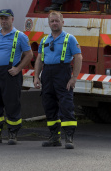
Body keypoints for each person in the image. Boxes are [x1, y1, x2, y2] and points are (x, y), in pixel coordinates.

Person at [33, 11, 82, 149]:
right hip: (47, 74)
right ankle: (54, 137)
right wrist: (36, 76)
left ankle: (69, 138)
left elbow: (78, 57)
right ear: (49, 23)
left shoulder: (70, 38)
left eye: (57, 21)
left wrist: (74, 78)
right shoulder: (44, 40)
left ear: (62, 22)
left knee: (66, 106)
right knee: (49, 106)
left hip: (63, 73)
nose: (54, 23)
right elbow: (39, 59)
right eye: (52, 21)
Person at [0, 9, 33, 145]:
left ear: (12, 19)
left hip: (10, 74)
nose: (3, 21)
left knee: (12, 104)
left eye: (6, 18)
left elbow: (29, 54)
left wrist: (18, 68)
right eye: (1, 18)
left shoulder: (20, 36)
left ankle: (13, 133)